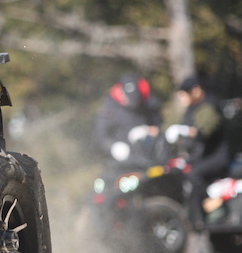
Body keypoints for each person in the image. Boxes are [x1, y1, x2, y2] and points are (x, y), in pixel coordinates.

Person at [165, 75, 231, 233]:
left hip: (216, 157)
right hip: (198, 158)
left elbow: (204, 131)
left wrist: (184, 132)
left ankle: (200, 218)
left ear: (196, 91)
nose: (181, 98)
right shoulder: (190, 110)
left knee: (193, 174)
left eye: (184, 94)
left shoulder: (209, 106)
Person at [93, 74, 162, 162]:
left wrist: (147, 130)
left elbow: (158, 124)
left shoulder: (149, 102)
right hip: (123, 159)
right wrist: (112, 146)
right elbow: (101, 134)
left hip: (149, 155)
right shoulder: (110, 107)